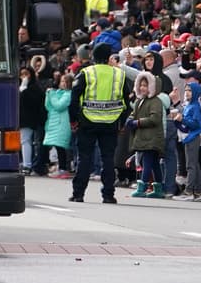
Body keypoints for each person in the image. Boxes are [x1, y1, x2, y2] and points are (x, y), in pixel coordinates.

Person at [69, 43, 131, 203]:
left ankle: (78, 194)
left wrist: (73, 120)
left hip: (87, 122)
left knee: (84, 158)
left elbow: (74, 98)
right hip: (111, 123)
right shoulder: (119, 75)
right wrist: (122, 123)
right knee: (108, 159)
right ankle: (108, 195)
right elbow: (126, 103)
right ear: (110, 57)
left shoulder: (86, 73)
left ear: (93, 57)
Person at [127, 71, 166, 198]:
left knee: (148, 161)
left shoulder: (156, 102)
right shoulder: (140, 101)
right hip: (144, 137)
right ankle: (158, 188)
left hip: (152, 138)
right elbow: (135, 113)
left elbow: (155, 118)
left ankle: (142, 186)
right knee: (154, 163)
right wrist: (130, 118)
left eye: (146, 85)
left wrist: (137, 122)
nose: (142, 88)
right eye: (141, 85)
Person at [42, 73, 73, 177]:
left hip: (62, 123)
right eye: (62, 81)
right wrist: (48, 95)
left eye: (65, 81)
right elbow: (48, 106)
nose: (63, 83)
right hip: (55, 123)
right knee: (58, 146)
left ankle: (63, 169)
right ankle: (61, 167)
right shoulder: (58, 93)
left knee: (61, 147)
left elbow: (59, 106)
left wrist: (52, 95)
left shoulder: (68, 94)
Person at [18, 65, 46, 174]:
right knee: (26, 141)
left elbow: (33, 102)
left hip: (31, 119)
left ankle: (27, 165)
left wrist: (24, 90)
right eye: (22, 74)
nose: (24, 77)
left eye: (26, 74)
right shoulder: (21, 87)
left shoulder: (34, 88)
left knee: (27, 141)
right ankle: (27, 163)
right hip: (24, 118)